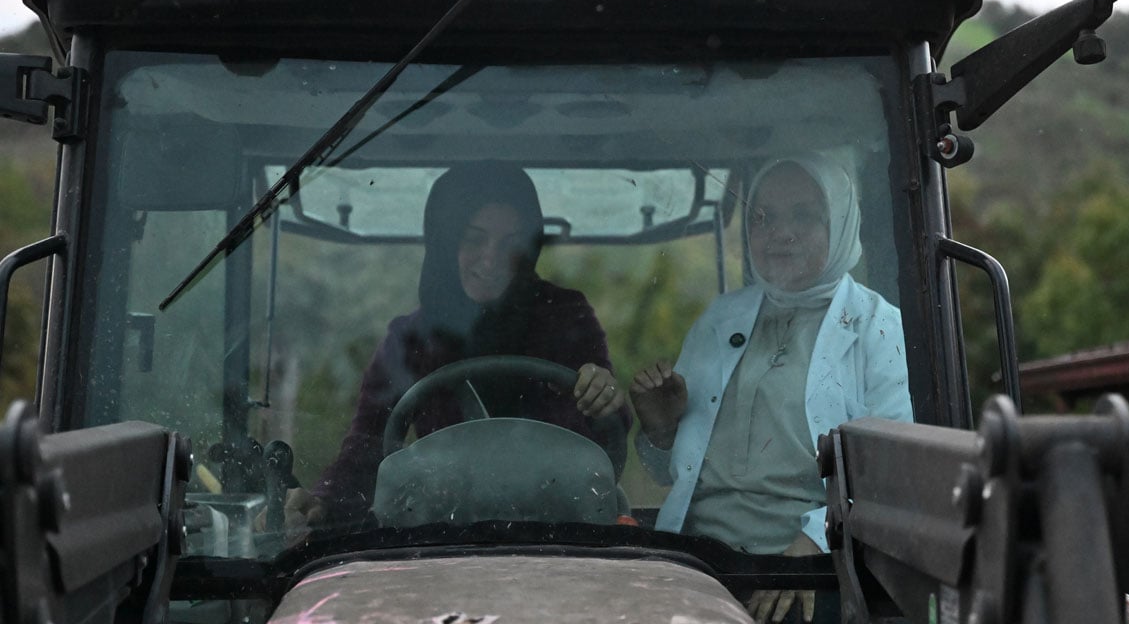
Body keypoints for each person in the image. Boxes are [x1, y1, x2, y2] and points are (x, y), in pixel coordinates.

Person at [631, 152, 912, 622]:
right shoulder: (720, 320)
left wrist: (814, 544)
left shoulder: (876, 327)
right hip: (696, 562)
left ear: (840, 224)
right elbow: (670, 472)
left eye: (804, 216)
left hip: (811, 568)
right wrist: (661, 429)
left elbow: (893, 473)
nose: (781, 233)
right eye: (762, 217)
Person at [285, 162, 629, 530]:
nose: (492, 258)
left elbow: (608, 425)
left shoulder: (565, 316)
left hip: (561, 536)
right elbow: (365, 451)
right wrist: (320, 503)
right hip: (444, 542)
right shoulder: (411, 338)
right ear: (445, 241)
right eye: (474, 239)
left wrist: (602, 394)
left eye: (512, 243)